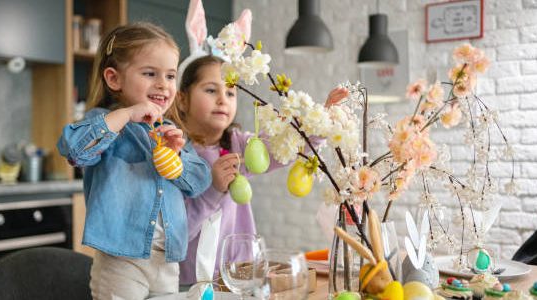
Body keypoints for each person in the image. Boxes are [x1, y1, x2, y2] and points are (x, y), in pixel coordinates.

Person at [56, 22, 211, 299]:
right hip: (121, 260)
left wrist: (177, 157)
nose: (163, 85)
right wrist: (127, 115)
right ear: (114, 79)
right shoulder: (104, 123)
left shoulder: (170, 132)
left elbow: (199, 181)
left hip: (167, 261)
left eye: (170, 76)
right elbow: (75, 150)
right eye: (150, 73)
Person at [167, 54, 348, 286]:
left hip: (241, 275)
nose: (223, 99)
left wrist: (322, 118)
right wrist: (213, 190)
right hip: (191, 283)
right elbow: (175, 235)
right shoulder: (174, 153)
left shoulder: (238, 145)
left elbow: (285, 146)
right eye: (211, 90)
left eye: (231, 92)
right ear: (182, 100)